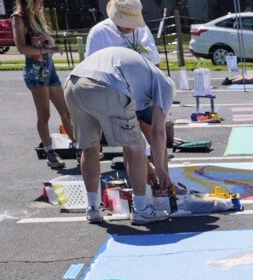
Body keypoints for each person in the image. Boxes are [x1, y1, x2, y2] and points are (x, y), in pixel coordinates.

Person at [64, 46, 175, 225]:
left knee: (90, 147)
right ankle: (141, 210)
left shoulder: (139, 75)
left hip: (72, 83)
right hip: (105, 84)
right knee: (136, 147)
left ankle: (92, 208)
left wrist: (146, 165)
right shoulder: (166, 84)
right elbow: (157, 130)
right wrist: (160, 167)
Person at [84, 0, 174, 204]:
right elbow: (92, 69)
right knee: (132, 146)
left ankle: (164, 187)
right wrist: (146, 164)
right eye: (124, 21)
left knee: (157, 138)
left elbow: (155, 63)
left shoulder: (143, 30)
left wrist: (156, 166)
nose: (128, 26)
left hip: (145, 96)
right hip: (117, 98)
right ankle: (140, 194)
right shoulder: (99, 33)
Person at [11, 0, 77, 171]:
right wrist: (48, 50)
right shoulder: (19, 18)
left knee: (66, 112)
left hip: (49, 69)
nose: (42, 4)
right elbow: (22, 48)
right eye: (38, 1)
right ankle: (49, 151)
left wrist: (48, 41)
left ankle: (78, 146)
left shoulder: (37, 17)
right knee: (44, 114)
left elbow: (49, 42)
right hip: (35, 71)